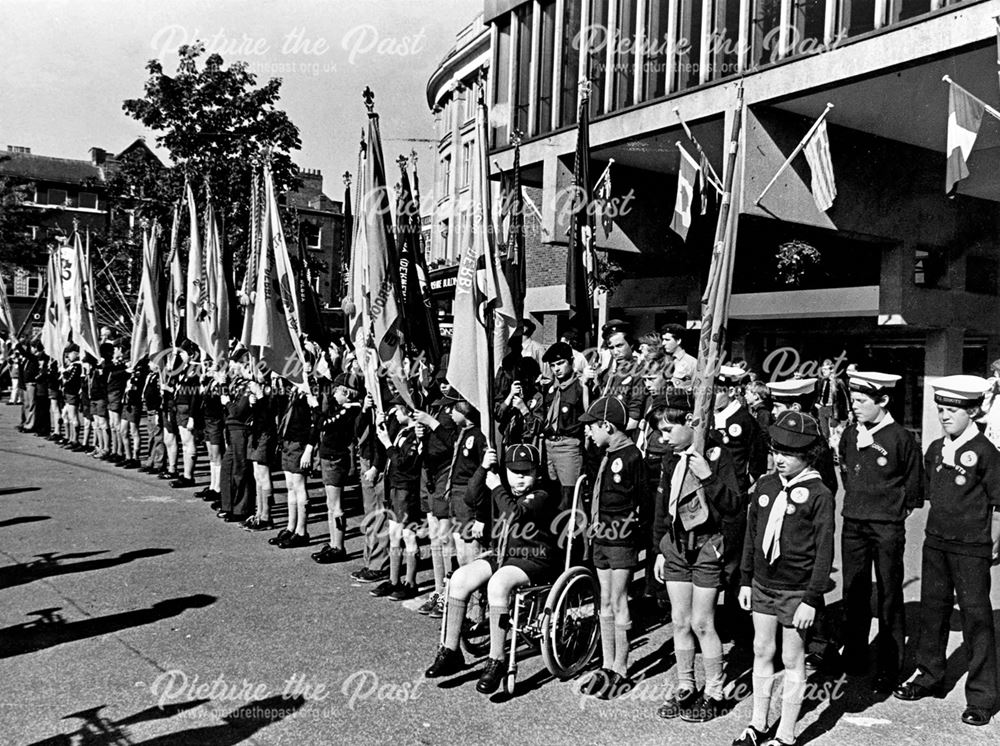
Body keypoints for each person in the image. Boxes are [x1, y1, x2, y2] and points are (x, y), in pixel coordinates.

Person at [895, 375, 1000, 728]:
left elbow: (999, 503)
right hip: (936, 541)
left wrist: (996, 536)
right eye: (940, 409)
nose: (944, 415)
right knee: (933, 612)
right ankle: (930, 676)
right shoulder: (936, 449)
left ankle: (983, 697)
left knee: (976, 618)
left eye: (952, 409)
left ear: (972, 411)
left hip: (971, 547)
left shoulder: (987, 453)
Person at [734, 411, 835, 746]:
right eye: (776, 450)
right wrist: (746, 579)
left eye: (789, 453)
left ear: (808, 455)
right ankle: (757, 724)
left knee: (793, 658)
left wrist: (811, 599)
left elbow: (824, 552)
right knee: (761, 649)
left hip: (796, 591)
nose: (780, 459)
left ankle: (786, 733)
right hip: (763, 583)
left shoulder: (819, 493)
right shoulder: (765, 485)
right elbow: (752, 535)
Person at [424, 443, 560, 694]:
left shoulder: (542, 494)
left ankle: (496, 659)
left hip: (534, 558)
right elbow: (470, 497)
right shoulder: (504, 490)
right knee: (460, 578)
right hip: (504, 555)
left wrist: (497, 485)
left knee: (498, 584)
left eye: (526, 472)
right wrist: (483, 468)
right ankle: (451, 651)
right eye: (514, 471)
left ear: (537, 473)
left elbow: (515, 514)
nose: (519, 478)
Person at [651, 391, 741, 723]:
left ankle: (715, 690)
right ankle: (685, 684)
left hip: (707, 544)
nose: (662, 438)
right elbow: (663, 509)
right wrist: (662, 549)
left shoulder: (719, 455)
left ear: (691, 423)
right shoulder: (670, 458)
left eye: (667, 431)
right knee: (679, 620)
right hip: (675, 545)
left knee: (703, 622)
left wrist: (707, 475)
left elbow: (733, 506)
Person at [838, 370, 922, 692]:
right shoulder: (849, 434)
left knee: (888, 594)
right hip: (853, 523)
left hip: (886, 526)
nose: (855, 406)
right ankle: (855, 656)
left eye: (861, 401)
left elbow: (913, 491)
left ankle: (890, 666)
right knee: (854, 590)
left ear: (883, 400)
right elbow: (848, 474)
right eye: (853, 400)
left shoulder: (901, 439)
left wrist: (888, 511)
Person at [577, 397, 647, 700]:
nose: (589, 433)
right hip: (601, 537)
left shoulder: (632, 457)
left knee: (619, 600)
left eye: (592, 427)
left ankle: (622, 668)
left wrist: (634, 534)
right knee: (604, 599)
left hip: (621, 540)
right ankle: (606, 665)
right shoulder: (605, 453)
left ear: (607, 425)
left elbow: (644, 501)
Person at [714, 364, 768, 647]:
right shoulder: (708, 418)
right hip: (711, 497)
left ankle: (736, 622)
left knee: (734, 563)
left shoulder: (744, 420)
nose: (711, 397)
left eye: (717, 391)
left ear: (730, 390)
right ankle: (715, 620)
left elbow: (757, 462)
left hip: (735, 500)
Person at [370, 390, 424, 601]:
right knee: (394, 534)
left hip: (406, 490)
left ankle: (410, 582)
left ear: (408, 411)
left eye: (397, 409)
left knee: (408, 535)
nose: (394, 412)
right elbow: (387, 448)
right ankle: (394, 580)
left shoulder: (415, 435)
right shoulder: (402, 431)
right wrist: (380, 429)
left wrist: (388, 444)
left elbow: (403, 462)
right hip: (394, 488)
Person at [412, 383, 459, 613]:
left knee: (446, 538)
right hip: (430, 476)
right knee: (435, 539)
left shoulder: (456, 410)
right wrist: (421, 434)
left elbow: (453, 443)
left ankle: (450, 595)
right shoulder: (435, 405)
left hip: (445, 475)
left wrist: (431, 424)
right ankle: (439, 591)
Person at [312, 372, 362, 563]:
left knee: (336, 505)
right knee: (330, 505)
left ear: (347, 393)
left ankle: (339, 546)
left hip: (335, 458)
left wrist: (316, 407)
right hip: (329, 457)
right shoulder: (343, 408)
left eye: (337, 391)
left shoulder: (348, 411)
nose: (333, 395)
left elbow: (323, 423)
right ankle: (333, 543)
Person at [269, 372, 319, 549]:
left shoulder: (310, 391)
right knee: (290, 486)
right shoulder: (293, 391)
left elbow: (316, 421)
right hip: (289, 441)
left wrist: (309, 449)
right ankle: (291, 527)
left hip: (300, 443)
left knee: (299, 487)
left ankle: (301, 531)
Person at [350, 388, 390, 584]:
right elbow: (357, 431)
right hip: (367, 460)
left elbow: (381, 440)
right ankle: (370, 561)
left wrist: (376, 465)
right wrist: (365, 409)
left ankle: (379, 565)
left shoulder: (389, 405)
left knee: (380, 516)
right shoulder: (371, 404)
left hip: (378, 465)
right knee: (370, 515)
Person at [540, 341, 587, 510]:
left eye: (560, 363)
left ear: (572, 361)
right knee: (552, 494)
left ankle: (575, 534)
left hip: (568, 445)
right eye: (552, 365)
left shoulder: (581, 387)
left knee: (570, 497)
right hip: (549, 445)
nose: (556, 369)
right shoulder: (552, 389)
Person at [217, 354, 256, 523]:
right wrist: (222, 384)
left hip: (241, 429)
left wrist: (226, 402)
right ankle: (228, 504)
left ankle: (242, 508)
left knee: (240, 469)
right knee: (227, 468)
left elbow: (238, 412)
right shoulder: (238, 383)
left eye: (238, 364)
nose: (234, 367)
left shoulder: (250, 386)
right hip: (231, 428)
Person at [815, 359, 849, 441]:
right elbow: (818, 394)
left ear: (832, 370)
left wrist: (849, 410)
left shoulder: (838, 381)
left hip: (833, 409)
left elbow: (846, 397)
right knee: (824, 433)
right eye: (822, 369)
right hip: (822, 408)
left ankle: (835, 450)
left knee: (834, 432)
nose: (823, 372)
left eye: (825, 369)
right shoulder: (821, 381)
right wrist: (817, 404)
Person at [660, 324, 697, 391]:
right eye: (663, 339)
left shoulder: (692, 362)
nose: (663, 343)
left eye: (667, 340)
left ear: (678, 341)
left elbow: (697, 388)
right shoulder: (663, 360)